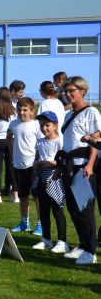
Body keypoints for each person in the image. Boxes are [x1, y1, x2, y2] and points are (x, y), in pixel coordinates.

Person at [61, 76, 99, 265]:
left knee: (85, 209)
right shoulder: (68, 115)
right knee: (73, 208)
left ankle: (91, 251)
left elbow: (96, 140)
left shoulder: (91, 112)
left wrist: (90, 164)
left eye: (71, 91)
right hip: (69, 164)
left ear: (82, 91)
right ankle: (83, 245)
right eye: (65, 91)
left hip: (83, 164)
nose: (68, 94)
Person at [32, 111, 68, 253]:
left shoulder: (60, 141)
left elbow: (63, 160)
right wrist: (36, 164)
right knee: (44, 211)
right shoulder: (39, 142)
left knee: (57, 211)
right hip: (42, 180)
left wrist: (50, 163)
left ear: (55, 126)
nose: (44, 128)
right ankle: (46, 239)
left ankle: (62, 241)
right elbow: (37, 158)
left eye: (47, 125)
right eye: (42, 125)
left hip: (55, 180)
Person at [7, 98, 43, 235]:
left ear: (32, 111)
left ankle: (41, 223)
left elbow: (42, 143)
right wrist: (13, 154)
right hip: (18, 165)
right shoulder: (13, 123)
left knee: (36, 196)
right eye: (19, 109)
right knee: (23, 195)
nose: (21, 112)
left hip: (32, 166)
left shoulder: (36, 125)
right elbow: (8, 137)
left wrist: (37, 160)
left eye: (25, 110)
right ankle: (24, 223)